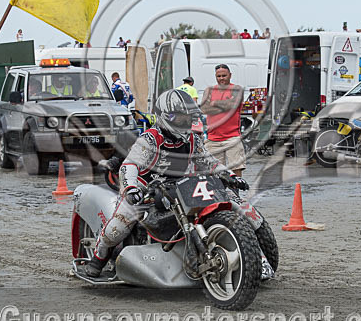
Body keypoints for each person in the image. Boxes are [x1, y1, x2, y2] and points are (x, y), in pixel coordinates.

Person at [82, 89, 245, 278]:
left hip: (181, 186)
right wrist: (131, 188)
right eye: (181, 118)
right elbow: (130, 165)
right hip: (145, 188)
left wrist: (230, 175)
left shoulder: (194, 139)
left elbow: (209, 161)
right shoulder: (150, 139)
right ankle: (99, 256)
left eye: (188, 118)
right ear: (167, 117)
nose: (186, 123)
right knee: (119, 226)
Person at [200, 64, 246, 177]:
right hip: (212, 139)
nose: (221, 78)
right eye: (219, 76)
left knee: (236, 169)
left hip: (232, 137)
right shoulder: (209, 90)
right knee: (213, 171)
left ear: (230, 75)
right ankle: (219, 193)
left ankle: (236, 194)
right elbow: (204, 108)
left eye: (224, 75)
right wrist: (225, 105)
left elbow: (233, 105)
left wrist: (214, 103)